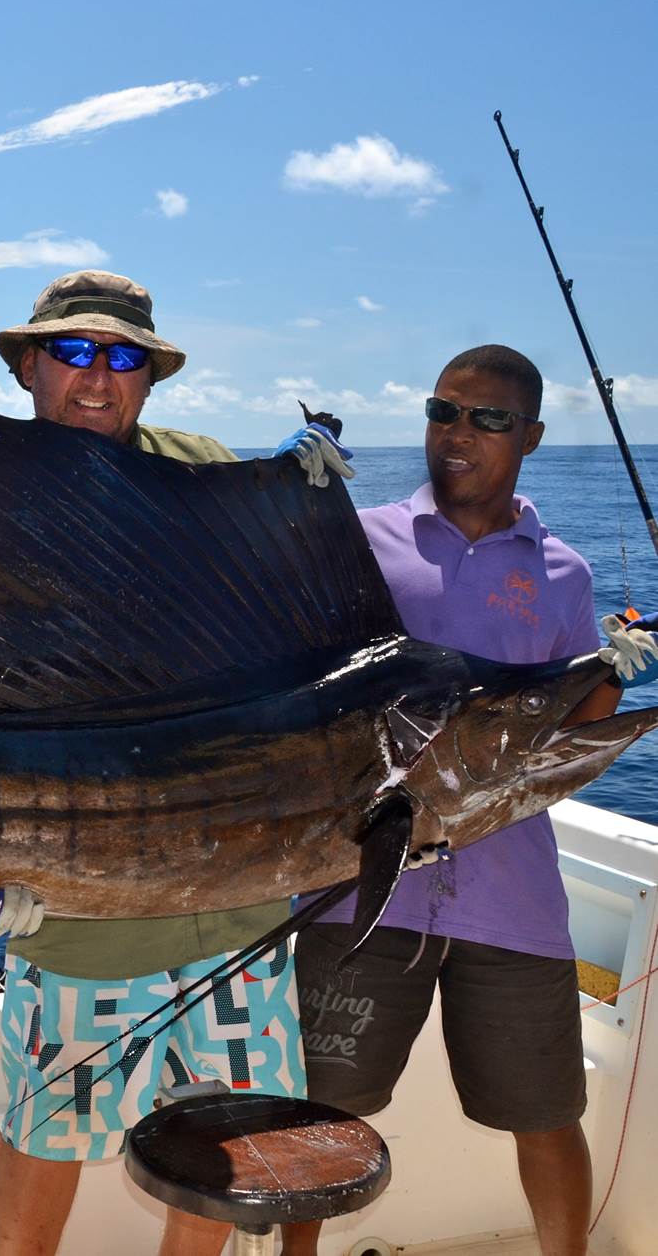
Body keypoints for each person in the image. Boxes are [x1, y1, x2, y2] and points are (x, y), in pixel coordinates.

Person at [0, 270, 352, 1256]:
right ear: (28, 367)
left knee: (226, 1148)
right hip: (80, 915)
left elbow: (287, 631)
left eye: (123, 357)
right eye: (74, 351)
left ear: (150, 377)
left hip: (237, 910)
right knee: (46, 1134)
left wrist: (298, 508)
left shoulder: (202, 470)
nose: (98, 377)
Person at [280, 344, 658, 1256]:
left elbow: (557, 732)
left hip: (511, 897)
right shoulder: (356, 541)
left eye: (489, 419)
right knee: (317, 1118)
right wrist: (282, 505)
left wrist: (611, 672)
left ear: (531, 436)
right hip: (362, 890)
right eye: (443, 411)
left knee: (548, 1118)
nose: (459, 433)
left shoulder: (565, 575)